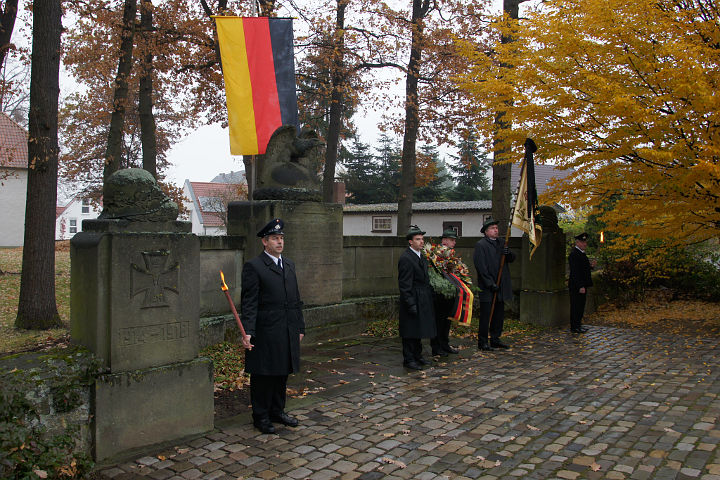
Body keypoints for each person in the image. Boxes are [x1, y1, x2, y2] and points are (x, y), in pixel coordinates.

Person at [240, 218, 305, 434]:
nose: (279, 242)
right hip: (266, 330)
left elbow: (296, 299)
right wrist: (248, 331)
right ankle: (261, 416)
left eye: (281, 238)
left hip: (287, 328)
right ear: (264, 242)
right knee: (264, 375)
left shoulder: (289, 264)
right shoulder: (254, 266)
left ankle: (278, 411)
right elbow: (249, 302)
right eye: (275, 238)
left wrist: (300, 327)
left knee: (281, 372)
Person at [398, 225, 437, 370]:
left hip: (423, 297)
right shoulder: (406, 258)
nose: (421, 242)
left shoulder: (421, 256)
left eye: (422, 239)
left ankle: (418, 356)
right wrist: (410, 303)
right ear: (410, 242)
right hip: (413, 298)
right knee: (410, 330)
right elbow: (404, 284)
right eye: (418, 239)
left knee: (419, 329)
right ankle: (409, 359)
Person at [473, 218, 515, 351]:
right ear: (486, 232)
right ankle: (483, 341)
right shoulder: (481, 245)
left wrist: (508, 253)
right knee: (486, 315)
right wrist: (490, 283)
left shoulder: (502, 242)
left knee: (498, 315)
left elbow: (512, 258)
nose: (495, 230)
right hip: (488, 287)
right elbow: (481, 267)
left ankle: (495, 338)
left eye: (496, 228)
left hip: (501, 285)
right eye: (492, 228)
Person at [430, 229, 461, 357]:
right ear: (444, 240)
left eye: (454, 240)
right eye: (451, 240)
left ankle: (444, 343)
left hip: (450, 292)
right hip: (440, 293)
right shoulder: (436, 254)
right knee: (439, 321)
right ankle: (436, 346)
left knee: (447, 320)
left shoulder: (451, 255)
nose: (454, 242)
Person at [568, 232, 596, 334]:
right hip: (577, 286)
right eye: (583, 242)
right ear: (578, 243)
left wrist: (591, 266)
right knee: (576, 306)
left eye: (585, 243)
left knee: (580, 306)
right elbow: (575, 272)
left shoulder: (582, 254)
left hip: (583, 284)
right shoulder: (574, 254)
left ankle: (578, 324)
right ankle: (574, 326)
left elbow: (583, 268)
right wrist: (580, 285)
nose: (585, 244)